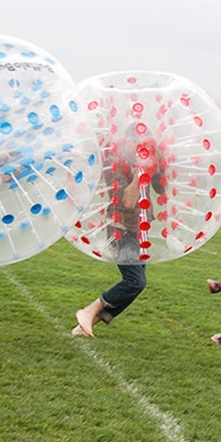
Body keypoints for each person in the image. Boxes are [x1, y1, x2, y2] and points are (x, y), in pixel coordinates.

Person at [72, 136, 164, 338]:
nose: (140, 148)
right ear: (127, 142)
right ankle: (88, 311)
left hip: (140, 230)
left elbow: (161, 188)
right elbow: (129, 201)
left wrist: (160, 165)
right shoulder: (115, 163)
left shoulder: (144, 162)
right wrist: (140, 173)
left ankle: (85, 325)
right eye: (136, 142)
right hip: (120, 229)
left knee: (137, 284)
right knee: (134, 282)